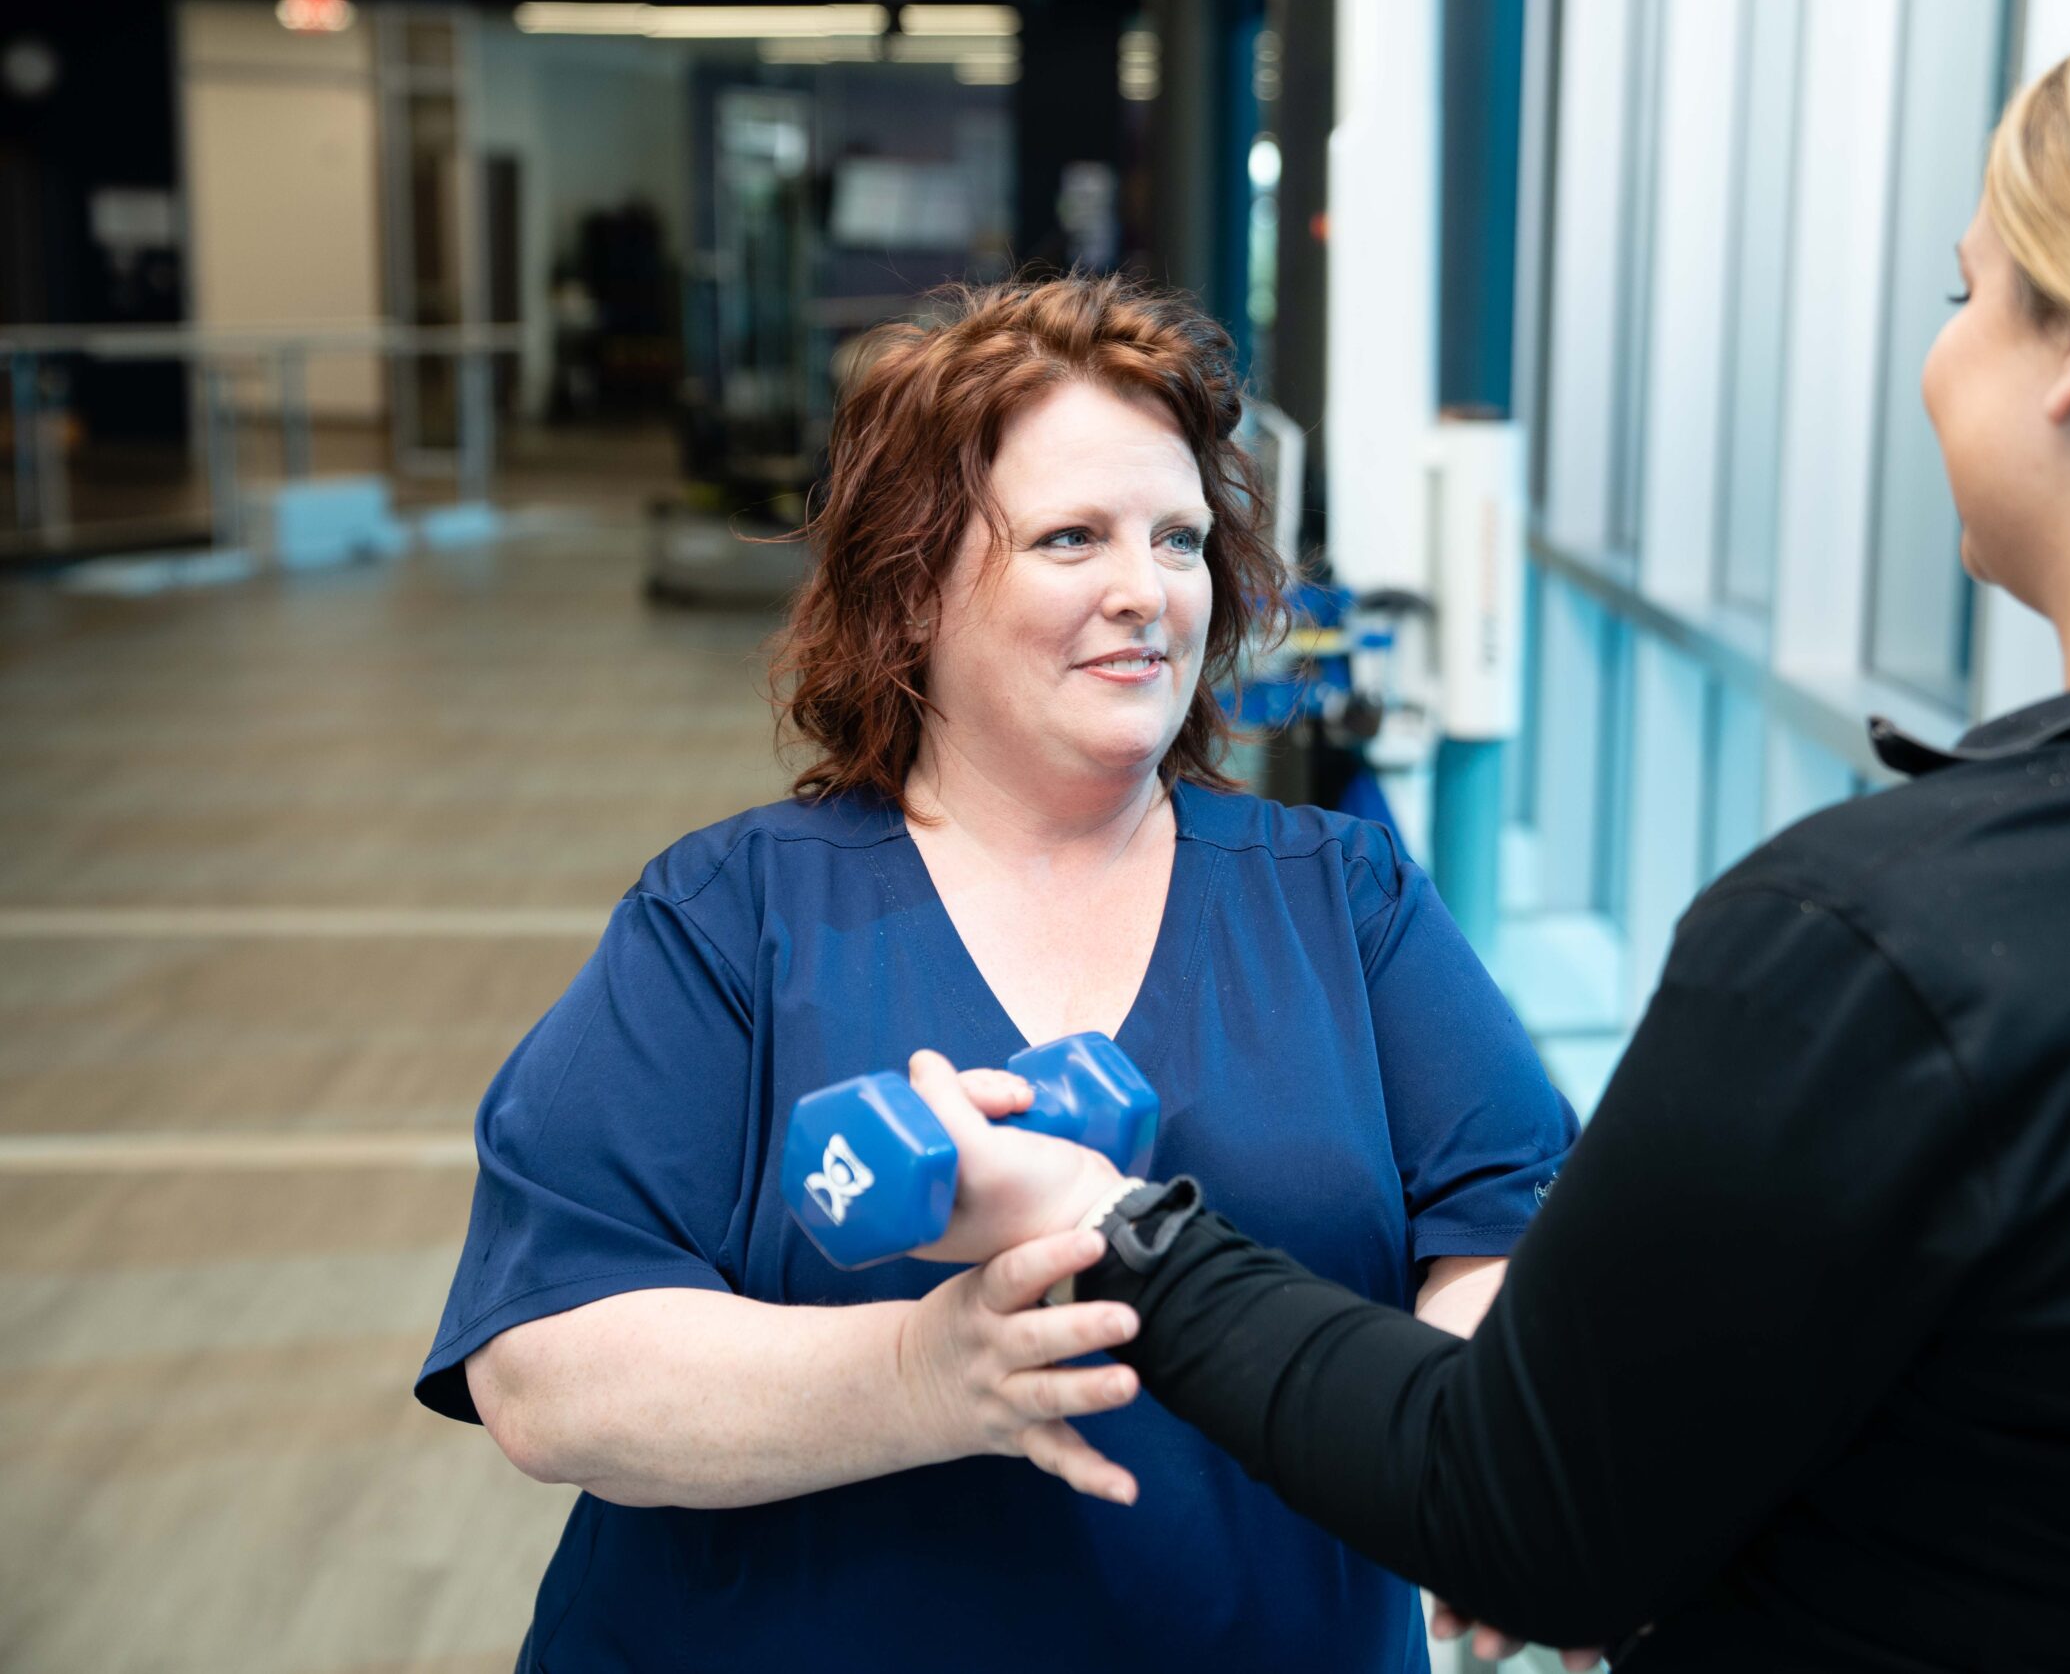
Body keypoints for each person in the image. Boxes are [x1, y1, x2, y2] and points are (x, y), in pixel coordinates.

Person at [908, 0, 2070, 1670]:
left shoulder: (1884, 950)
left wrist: (1121, 1229)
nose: (1938, 358)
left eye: (1965, 294)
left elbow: (1515, 1515)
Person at [412, 275, 1578, 1672]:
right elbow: (547, 1372)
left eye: (1182, 539)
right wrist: (925, 1373)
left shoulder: (1343, 898)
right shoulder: (733, 920)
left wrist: (1481, 1432)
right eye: (1071, 538)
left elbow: (1512, 1236)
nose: (1148, 593)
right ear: (911, 590)